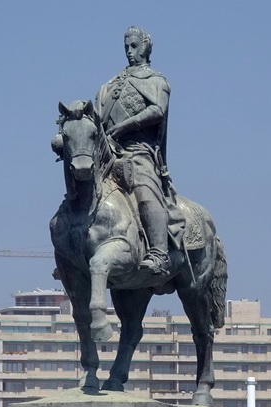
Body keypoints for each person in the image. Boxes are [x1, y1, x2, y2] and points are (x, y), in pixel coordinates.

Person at [94, 26, 174, 276]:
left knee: (145, 190)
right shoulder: (109, 85)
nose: (129, 52)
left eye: (134, 46)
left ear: (146, 47)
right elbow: (95, 119)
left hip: (138, 153)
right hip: (107, 155)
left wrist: (123, 127)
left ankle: (159, 253)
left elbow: (157, 111)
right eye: (126, 47)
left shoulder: (156, 80)